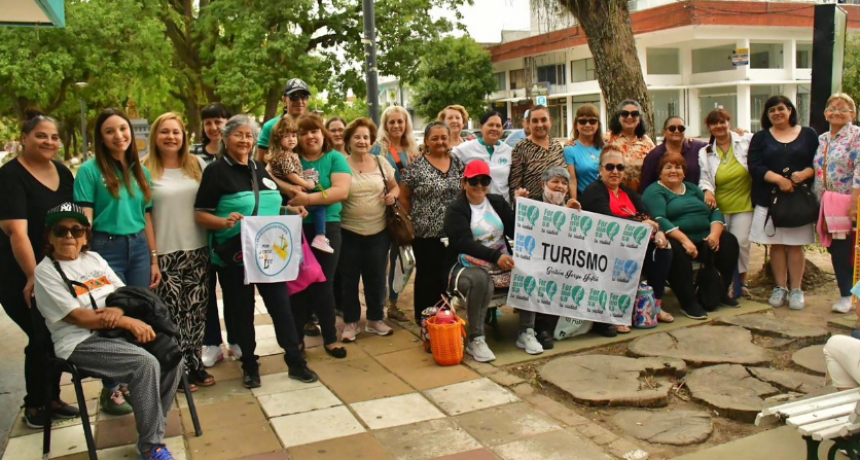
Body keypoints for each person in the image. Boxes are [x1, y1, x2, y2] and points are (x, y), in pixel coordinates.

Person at [34, 203, 179, 460]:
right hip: (79, 342)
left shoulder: (94, 259)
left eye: (76, 230)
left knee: (171, 356)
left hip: (115, 332)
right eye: (61, 230)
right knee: (144, 363)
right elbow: (80, 318)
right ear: (49, 236)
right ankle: (151, 445)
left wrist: (120, 312)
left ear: (85, 236)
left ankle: (150, 421)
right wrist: (126, 322)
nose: (69, 236)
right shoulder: (46, 271)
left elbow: (124, 295)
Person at [194, 115, 318, 388]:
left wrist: (289, 209)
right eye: (239, 134)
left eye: (249, 135)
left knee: (281, 308)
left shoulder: (258, 168)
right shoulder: (216, 172)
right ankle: (249, 364)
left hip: (267, 253)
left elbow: (269, 204)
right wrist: (223, 222)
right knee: (241, 311)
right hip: (234, 255)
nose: (245, 140)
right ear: (225, 139)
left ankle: (295, 362)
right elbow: (201, 215)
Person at [74, 108, 159, 415]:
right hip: (104, 247)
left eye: (122, 129)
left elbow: (146, 216)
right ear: (100, 137)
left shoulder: (140, 170)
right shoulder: (89, 170)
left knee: (137, 311)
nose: (118, 135)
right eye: (109, 131)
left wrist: (153, 259)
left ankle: (134, 379)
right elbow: (85, 216)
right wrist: (82, 254)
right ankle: (112, 389)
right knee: (110, 317)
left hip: (137, 246)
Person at [0, 110, 79, 428]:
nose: (49, 141)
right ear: (24, 139)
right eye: (41, 135)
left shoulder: (62, 172)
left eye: (54, 136)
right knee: (40, 334)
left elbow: (72, 221)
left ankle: (52, 397)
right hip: (20, 272)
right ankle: (35, 405)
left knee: (57, 333)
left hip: (56, 270)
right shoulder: (10, 177)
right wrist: (34, 276)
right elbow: (17, 232)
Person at [445, 160, 542, 362]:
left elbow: (517, 229)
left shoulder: (497, 202)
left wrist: (521, 207)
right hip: (466, 264)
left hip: (501, 260)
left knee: (528, 270)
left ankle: (527, 332)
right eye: (474, 181)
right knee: (480, 280)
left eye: (484, 180)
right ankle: (476, 338)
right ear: (464, 183)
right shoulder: (456, 209)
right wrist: (496, 257)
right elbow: (462, 242)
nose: (479, 185)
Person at [143, 113, 213, 391]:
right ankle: (175, 370)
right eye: (165, 132)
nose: (171, 137)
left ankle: (194, 363)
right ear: (155, 137)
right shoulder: (145, 169)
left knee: (196, 312)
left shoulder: (197, 165)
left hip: (197, 249)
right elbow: (145, 215)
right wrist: (153, 256)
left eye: (176, 132)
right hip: (165, 252)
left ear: (184, 137)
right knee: (170, 315)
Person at [581, 146, 674, 334]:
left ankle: (654, 304)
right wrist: (640, 223)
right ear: (600, 170)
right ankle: (617, 313)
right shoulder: (594, 192)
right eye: (610, 167)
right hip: (606, 248)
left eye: (620, 167)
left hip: (635, 246)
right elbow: (608, 221)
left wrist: (660, 231)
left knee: (664, 250)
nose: (615, 172)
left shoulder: (626, 191)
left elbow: (647, 213)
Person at [643, 153, 740, 319]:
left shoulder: (692, 188)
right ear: (660, 173)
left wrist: (715, 235)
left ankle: (719, 293)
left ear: (684, 172)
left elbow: (715, 211)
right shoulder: (655, 191)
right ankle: (688, 302)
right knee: (676, 253)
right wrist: (686, 241)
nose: (674, 171)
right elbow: (660, 219)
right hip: (676, 238)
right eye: (668, 167)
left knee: (729, 242)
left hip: (704, 237)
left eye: (678, 167)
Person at [286, 114, 351, 358]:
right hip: (296, 226)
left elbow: (341, 191)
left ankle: (330, 338)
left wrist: (308, 199)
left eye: (314, 131)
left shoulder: (334, 158)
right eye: (303, 133)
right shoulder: (291, 160)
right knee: (298, 283)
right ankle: (297, 339)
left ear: (322, 133)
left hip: (328, 228)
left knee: (324, 281)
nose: (310, 136)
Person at [748, 95, 819, 310]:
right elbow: (754, 165)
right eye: (772, 111)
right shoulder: (760, 138)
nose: (777, 113)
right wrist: (778, 179)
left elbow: (819, 161)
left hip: (799, 200)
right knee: (777, 245)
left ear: (790, 110)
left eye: (781, 109)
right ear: (767, 115)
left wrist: (807, 173)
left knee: (796, 246)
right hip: (770, 199)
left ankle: (796, 289)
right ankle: (780, 287)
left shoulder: (808, 134)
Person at [512, 167, 590, 347]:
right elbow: (521, 231)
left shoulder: (569, 206)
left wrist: (571, 217)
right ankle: (543, 328)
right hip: (537, 260)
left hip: (564, 260)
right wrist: (520, 206)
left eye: (564, 183)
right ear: (543, 184)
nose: (560, 187)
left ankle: (599, 321)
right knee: (548, 274)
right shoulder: (532, 205)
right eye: (555, 181)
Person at [339, 118, 398, 341]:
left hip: (379, 232)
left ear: (372, 140)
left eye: (365, 137)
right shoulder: (341, 164)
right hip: (348, 231)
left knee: (376, 278)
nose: (362, 141)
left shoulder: (381, 162)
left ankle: (375, 319)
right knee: (349, 280)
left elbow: (395, 186)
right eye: (357, 137)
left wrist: (393, 195)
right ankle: (351, 323)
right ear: (348, 141)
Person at [400, 122, 465, 322]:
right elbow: (404, 196)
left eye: (443, 137)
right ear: (427, 141)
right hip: (425, 233)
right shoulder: (417, 165)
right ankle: (426, 319)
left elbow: (464, 190)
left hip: (452, 232)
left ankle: (445, 319)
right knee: (427, 278)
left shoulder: (457, 162)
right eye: (434, 138)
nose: (439, 141)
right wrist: (412, 218)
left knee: (447, 277)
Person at [698, 109, 754, 298]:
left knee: (742, 243)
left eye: (722, 122)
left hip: (744, 204)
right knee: (724, 246)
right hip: (719, 207)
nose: (719, 126)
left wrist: (744, 131)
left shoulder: (745, 141)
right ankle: (725, 283)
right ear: (709, 128)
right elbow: (705, 177)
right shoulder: (705, 152)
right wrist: (708, 191)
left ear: (729, 123)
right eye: (714, 123)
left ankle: (742, 282)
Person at [372, 106, 420, 322]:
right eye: (391, 122)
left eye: (400, 122)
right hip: (384, 210)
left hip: (406, 212)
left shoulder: (413, 149)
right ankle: (378, 303)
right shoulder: (378, 149)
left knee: (401, 260)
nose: (396, 126)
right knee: (380, 261)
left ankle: (393, 303)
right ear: (385, 124)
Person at [813, 93, 860, 313]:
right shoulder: (823, 138)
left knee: (852, 249)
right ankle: (845, 293)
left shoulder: (857, 136)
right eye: (832, 107)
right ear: (825, 113)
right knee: (837, 250)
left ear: (853, 113)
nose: (837, 112)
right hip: (828, 202)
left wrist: (855, 201)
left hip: (850, 201)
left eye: (843, 108)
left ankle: (852, 296)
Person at [267, 117, 334, 253]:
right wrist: (305, 183)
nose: (291, 139)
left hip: (290, 192)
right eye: (286, 136)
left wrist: (306, 175)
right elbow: (289, 173)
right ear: (277, 139)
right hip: (288, 194)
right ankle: (320, 236)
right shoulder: (284, 155)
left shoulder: (291, 153)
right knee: (319, 206)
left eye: (293, 135)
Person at [508, 105, 565, 202]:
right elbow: (515, 186)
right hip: (534, 211)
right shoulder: (521, 148)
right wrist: (519, 199)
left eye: (544, 120)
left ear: (550, 121)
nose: (540, 125)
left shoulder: (557, 146)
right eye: (535, 121)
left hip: (559, 211)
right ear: (528, 124)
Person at [452, 111, 512, 202]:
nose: (494, 128)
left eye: (498, 126)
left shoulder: (509, 151)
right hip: (476, 208)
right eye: (490, 125)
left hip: (503, 209)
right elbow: (446, 160)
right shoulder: (465, 148)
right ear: (481, 126)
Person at [639, 116, 707, 193]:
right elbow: (645, 186)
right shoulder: (654, 155)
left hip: (695, 197)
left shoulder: (697, 148)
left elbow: (715, 146)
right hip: (665, 200)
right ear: (664, 132)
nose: (677, 131)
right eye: (672, 128)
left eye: (681, 128)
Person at [605, 99, 655, 191]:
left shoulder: (647, 142)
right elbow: (586, 143)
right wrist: (570, 142)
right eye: (625, 113)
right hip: (612, 194)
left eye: (634, 114)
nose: (629, 117)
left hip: (640, 195)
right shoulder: (607, 139)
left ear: (639, 119)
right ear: (618, 117)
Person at [256, 78, 311, 162]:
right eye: (294, 96)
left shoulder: (314, 126)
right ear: (284, 100)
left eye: (304, 96)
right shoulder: (270, 126)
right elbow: (260, 163)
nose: (300, 101)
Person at [564, 104, 604, 199]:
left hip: (606, 198)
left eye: (592, 121)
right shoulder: (570, 149)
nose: (587, 125)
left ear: (598, 125)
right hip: (585, 199)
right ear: (576, 125)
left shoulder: (605, 148)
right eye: (582, 121)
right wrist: (574, 202)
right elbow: (572, 181)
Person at [191, 102, 232, 166]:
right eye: (208, 123)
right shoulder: (193, 152)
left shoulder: (236, 153)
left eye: (218, 122)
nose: (213, 128)